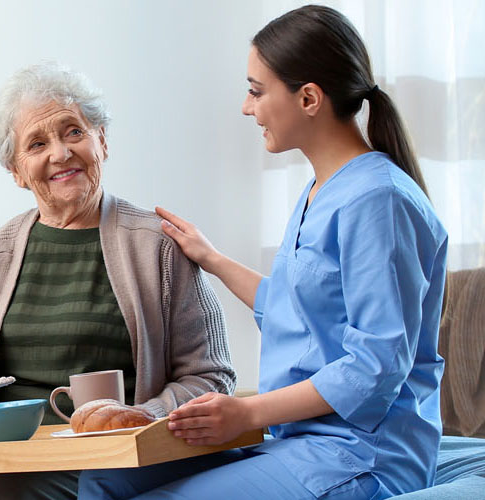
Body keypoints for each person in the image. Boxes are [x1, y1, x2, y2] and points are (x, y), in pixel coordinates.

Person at [76, 5, 448, 499]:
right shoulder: (321, 190)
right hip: (298, 441)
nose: (246, 108)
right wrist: (211, 258)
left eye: (256, 90)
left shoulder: (377, 200)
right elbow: (294, 311)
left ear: (309, 98)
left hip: (361, 454)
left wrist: (246, 412)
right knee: (105, 475)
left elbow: (375, 366)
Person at [0, 62, 236, 500]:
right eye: (37, 143)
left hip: (109, 454)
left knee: (3, 497)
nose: (60, 153)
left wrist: (142, 416)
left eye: (73, 131)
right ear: (17, 171)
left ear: (102, 140)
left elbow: (211, 376)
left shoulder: (158, 248)